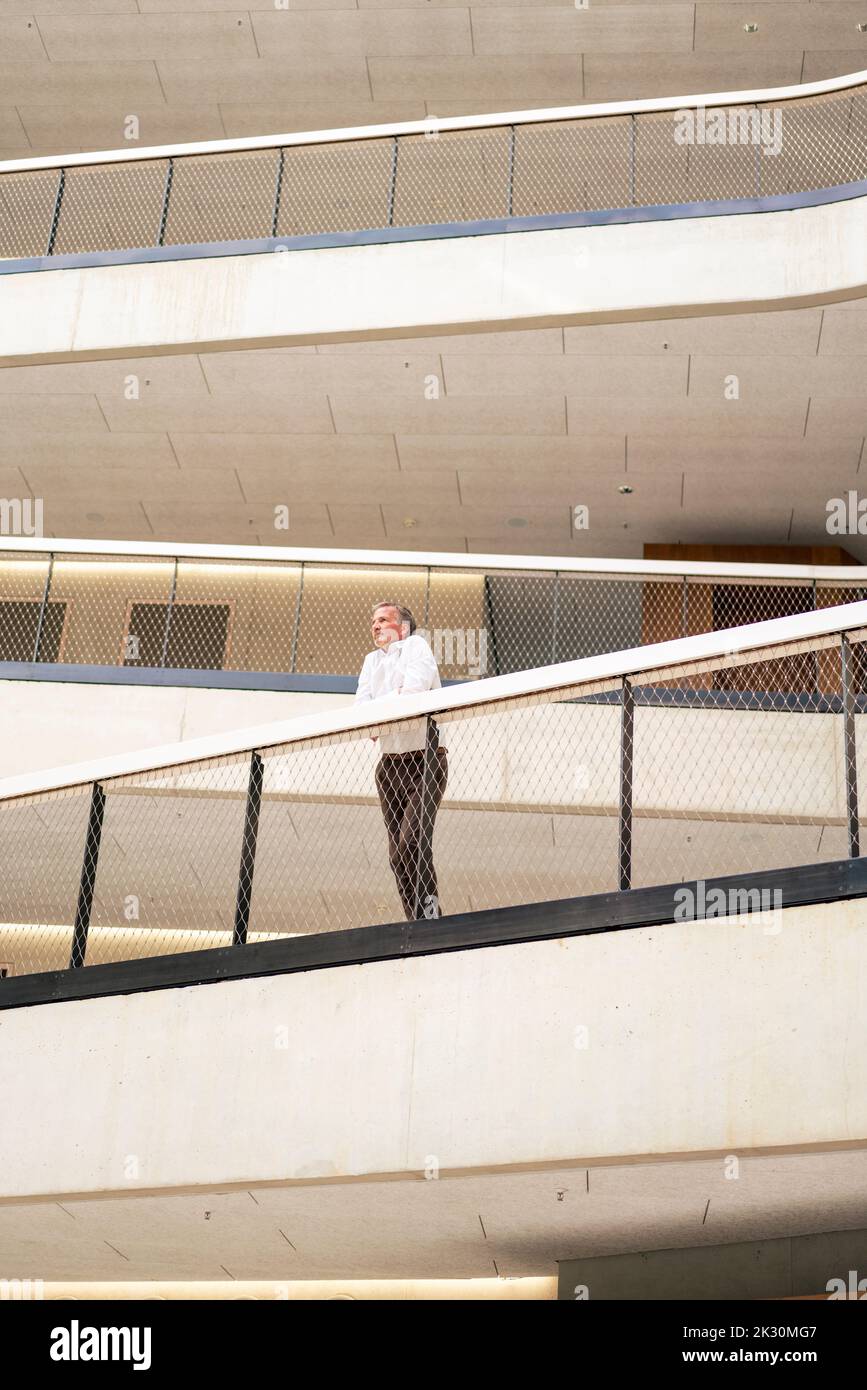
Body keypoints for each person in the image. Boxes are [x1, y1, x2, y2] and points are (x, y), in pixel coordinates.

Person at [355, 601, 447, 921]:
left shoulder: (416, 646)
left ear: (403, 627)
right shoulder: (370, 661)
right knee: (397, 857)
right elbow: (361, 713)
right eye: (373, 621)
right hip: (389, 767)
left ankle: (431, 916)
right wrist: (390, 700)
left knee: (411, 843)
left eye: (383, 620)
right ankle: (415, 920)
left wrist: (382, 711)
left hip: (426, 761)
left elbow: (412, 696)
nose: (375, 626)